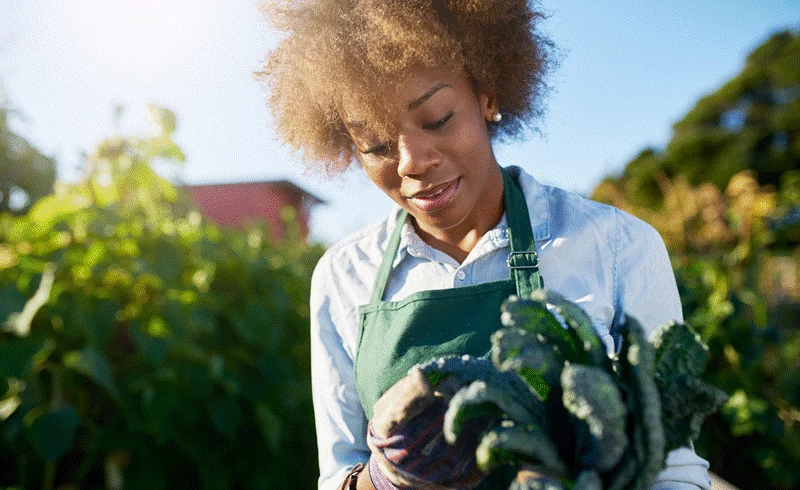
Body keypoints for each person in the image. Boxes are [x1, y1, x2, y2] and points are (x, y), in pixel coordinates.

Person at [258, 1, 713, 489]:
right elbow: (337, 475)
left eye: (436, 118)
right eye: (376, 145)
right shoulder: (343, 275)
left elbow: (672, 469)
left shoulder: (619, 248)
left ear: (488, 95)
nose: (411, 162)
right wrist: (385, 473)